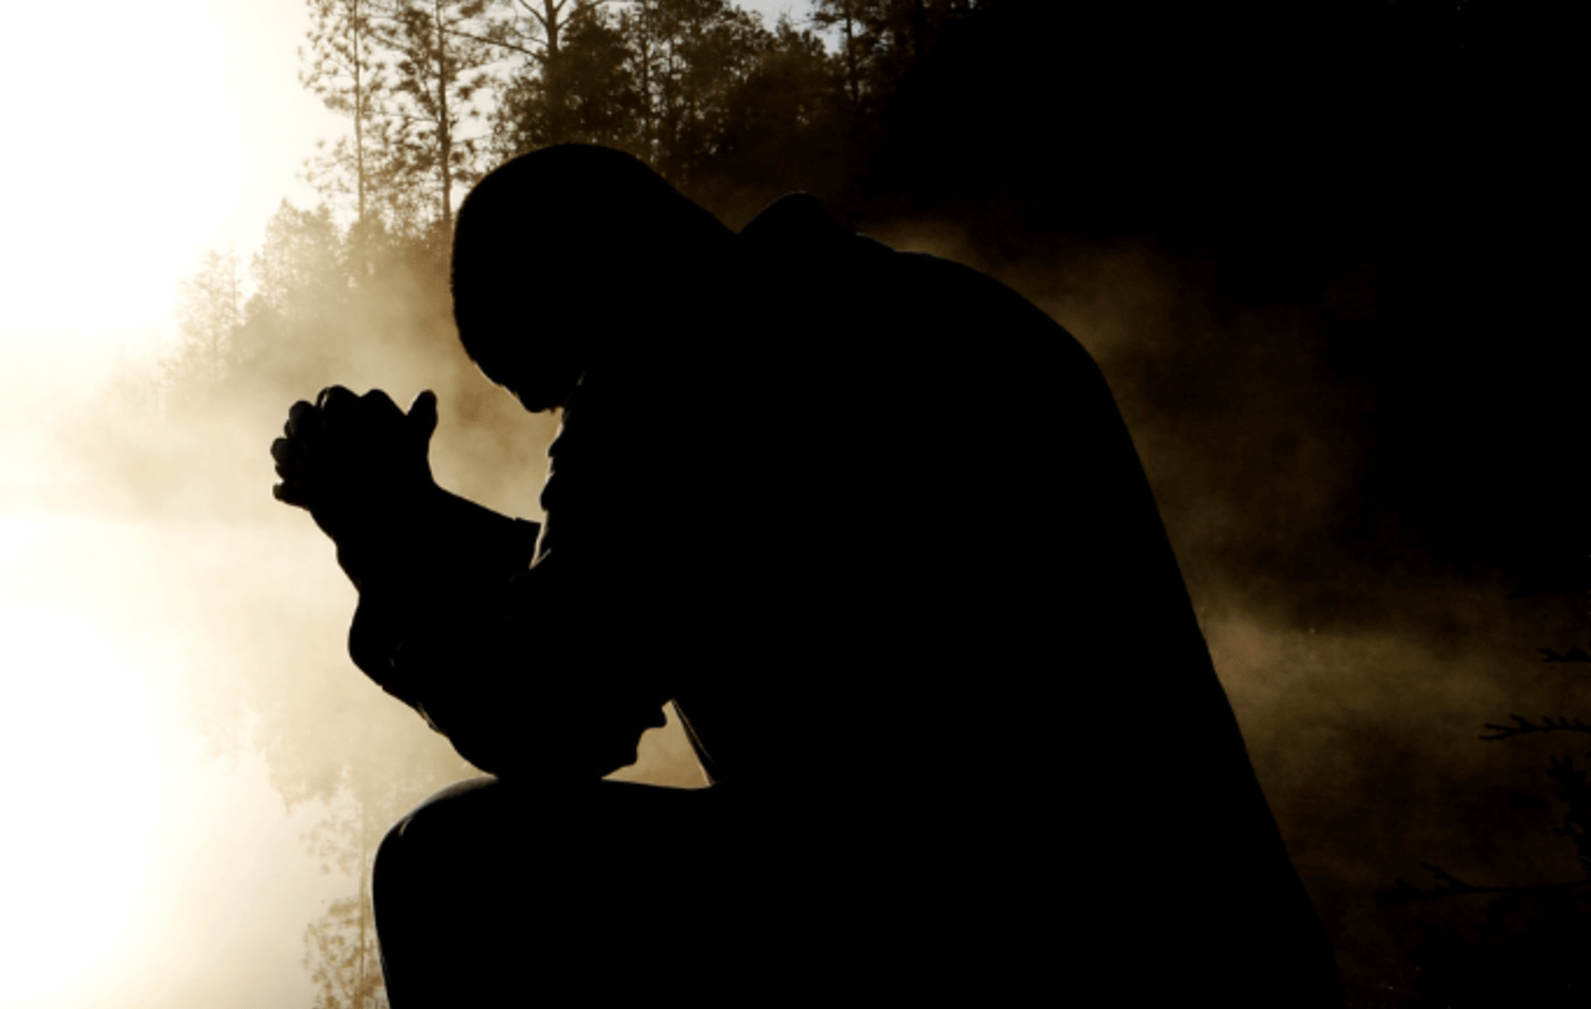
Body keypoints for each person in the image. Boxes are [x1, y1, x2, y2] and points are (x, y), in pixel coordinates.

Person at [269, 145, 1340, 1006]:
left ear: (594, 294)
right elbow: (654, 580)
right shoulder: (911, 309)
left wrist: (380, 534)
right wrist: (416, 517)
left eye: (559, 389)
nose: (565, 429)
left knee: (455, 870)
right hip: (1218, 936)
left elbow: (551, 711)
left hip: (1001, 940)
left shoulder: (682, 374)